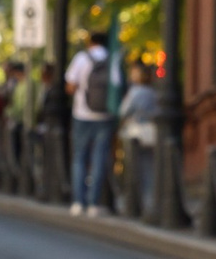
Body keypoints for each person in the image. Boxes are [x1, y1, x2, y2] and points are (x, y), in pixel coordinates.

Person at [67, 30, 115, 214]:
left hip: (82, 114)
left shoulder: (82, 58)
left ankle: (78, 202)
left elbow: (70, 86)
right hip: (106, 116)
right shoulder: (113, 59)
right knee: (99, 159)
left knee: (79, 158)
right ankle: (94, 204)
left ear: (90, 42)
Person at [118, 60, 159, 213]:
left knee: (135, 168)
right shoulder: (153, 92)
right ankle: (150, 201)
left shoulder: (135, 92)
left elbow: (124, 111)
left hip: (135, 132)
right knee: (149, 168)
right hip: (151, 132)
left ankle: (135, 202)